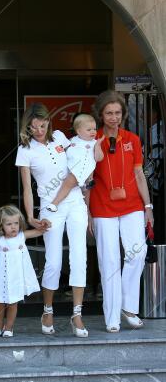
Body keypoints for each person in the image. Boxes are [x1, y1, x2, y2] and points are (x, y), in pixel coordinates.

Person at [16, 103, 89, 338]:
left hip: (76, 201)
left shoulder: (59, 137)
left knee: (79, 257)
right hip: (50, 206)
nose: (39, 130)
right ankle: (47, 310)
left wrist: (87, 192)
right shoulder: (25, 149)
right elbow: (27, 188)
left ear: (49, 122)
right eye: (34, 126)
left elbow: (79, 160)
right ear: (27, 126)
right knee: (54, 262)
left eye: (43, 124)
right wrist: (30, 216)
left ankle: (77, 313)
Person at [88, 90, 153, 333]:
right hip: (102, 207)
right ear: (101, 115)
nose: (114, 117)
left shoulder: (133, 139)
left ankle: (128, 307)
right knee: (110, 260)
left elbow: (139, 174)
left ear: (123, 114)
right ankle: (112, 316)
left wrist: (148, 207)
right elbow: (87, 181)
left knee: (137, 252)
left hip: (132, 205)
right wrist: (88, 214)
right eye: (109, 113)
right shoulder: (93, 140)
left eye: (117, 113)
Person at [0, 204, 42, 337]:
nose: (13, 227)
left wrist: (40, 222)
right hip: (1, 278)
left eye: (16, 223)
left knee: (13, 303)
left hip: (16, 278)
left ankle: (9, 327)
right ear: (1, 226)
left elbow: (41, 231)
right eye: (9, 224)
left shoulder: (22, 236)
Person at [46, 113, 104, 212]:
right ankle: (55, 203)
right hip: (73, 171)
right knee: (67, 186)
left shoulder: (94, 143)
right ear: (79, 131)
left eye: (94, 129)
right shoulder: (72, 141)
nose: (93, 132)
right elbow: (62, 152)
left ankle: (84, 211)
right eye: (89, 130)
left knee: (84, 192)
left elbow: (99, 158)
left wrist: (98, 145)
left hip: (86, 174)